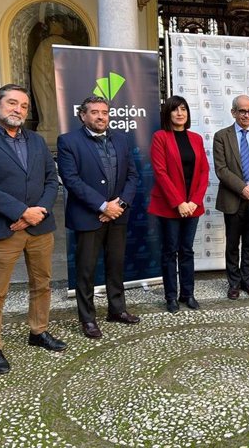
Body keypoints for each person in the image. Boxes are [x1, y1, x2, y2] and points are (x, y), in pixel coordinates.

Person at [0, 84, 66, 374]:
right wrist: (22, 212)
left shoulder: (35, 140)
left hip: (39, 227)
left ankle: (38, 332)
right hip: (2, 228)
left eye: (23, 105)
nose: (17, 109)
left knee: (42, 283)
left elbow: (50, 179)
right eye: (11, 103)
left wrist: (37, 213)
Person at [57, 96, 140, 340]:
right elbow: (71, 180)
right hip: (88, 217)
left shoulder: (122, 140)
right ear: (83, 115)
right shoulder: (68, 141)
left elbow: (133, 176)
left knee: (116, 266)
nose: (101, 116)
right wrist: (103, 206)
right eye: (94, 112)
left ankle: (117, 310)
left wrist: (120, 205)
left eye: (104, 112)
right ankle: (88, 319)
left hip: (118, 215)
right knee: (86, 270)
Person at [148, 96, 209, 313]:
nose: (180, 113)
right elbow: (161, 172)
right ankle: (171, 297)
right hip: (169, 207)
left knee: (187, 250)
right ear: (168, 114)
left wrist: (193, 201)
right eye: (175, 110)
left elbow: (203, 171)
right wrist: (179, 203)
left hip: (192, 206)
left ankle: (188, 293)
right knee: (170, 251)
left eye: (183, 109)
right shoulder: (160, 137)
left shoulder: (196, 138)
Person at [213, 95, 249, 300]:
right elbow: (221, 169)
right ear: (233, 112)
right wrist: (243, 188)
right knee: (232, 244)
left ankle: (248, 281)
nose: (246, 115)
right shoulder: (221, 136)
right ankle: (234, 283)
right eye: (242, 111)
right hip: (233, 198)